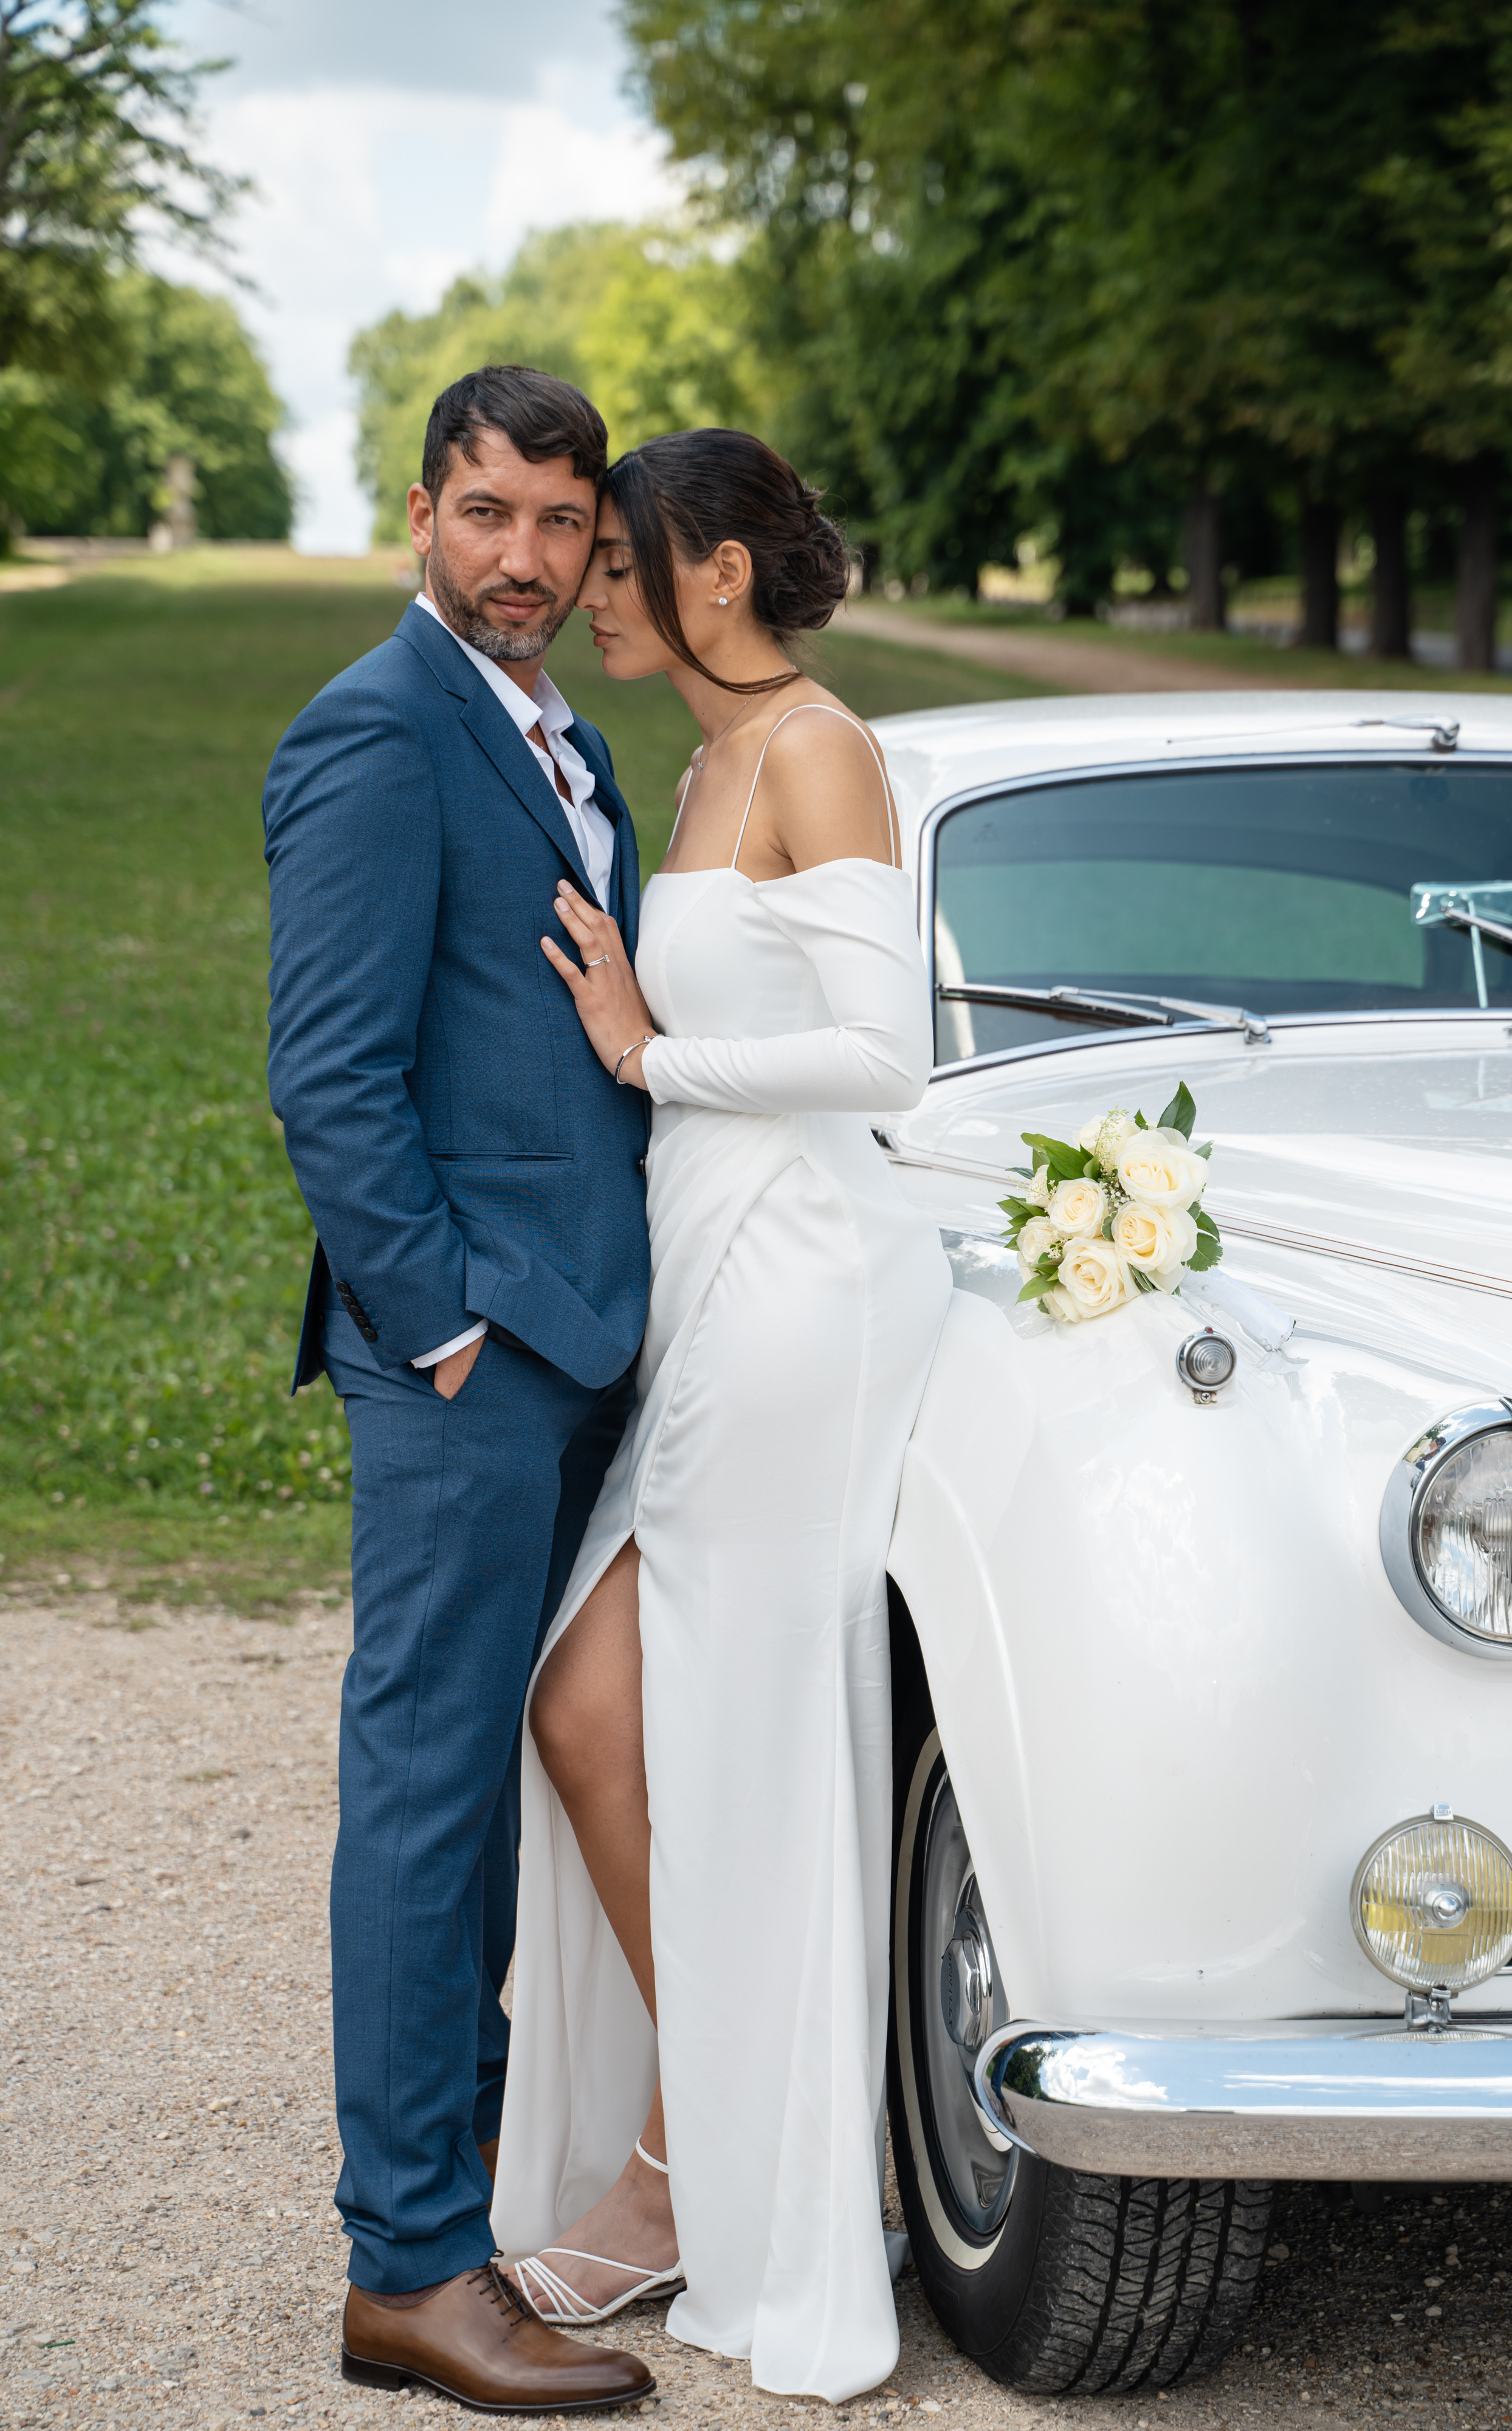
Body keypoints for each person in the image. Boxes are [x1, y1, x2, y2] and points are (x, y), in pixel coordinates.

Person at [489, 428, 954, 2403]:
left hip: (804, 1290)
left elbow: (885, 1056)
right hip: (710, 1285)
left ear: (721, 573)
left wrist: (644, 1050)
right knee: (593, 1709)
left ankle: (710, 2173)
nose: (592, 583)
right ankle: (741, 2149)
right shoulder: (690, 764)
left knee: (729, 1737)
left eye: (620, 558)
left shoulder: (820, 749)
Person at [263, 365, 656, 2413]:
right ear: (424, 512)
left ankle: (473, 2198)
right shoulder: (380, 731)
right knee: (424, 1795)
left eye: (560, 525)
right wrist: (438, 1329)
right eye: (487, 515)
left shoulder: (561, 732)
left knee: (495, 1794)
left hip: (581, 1342)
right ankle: (407, 2266)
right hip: (469, 1360)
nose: (524, 559)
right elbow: (327, 1071)